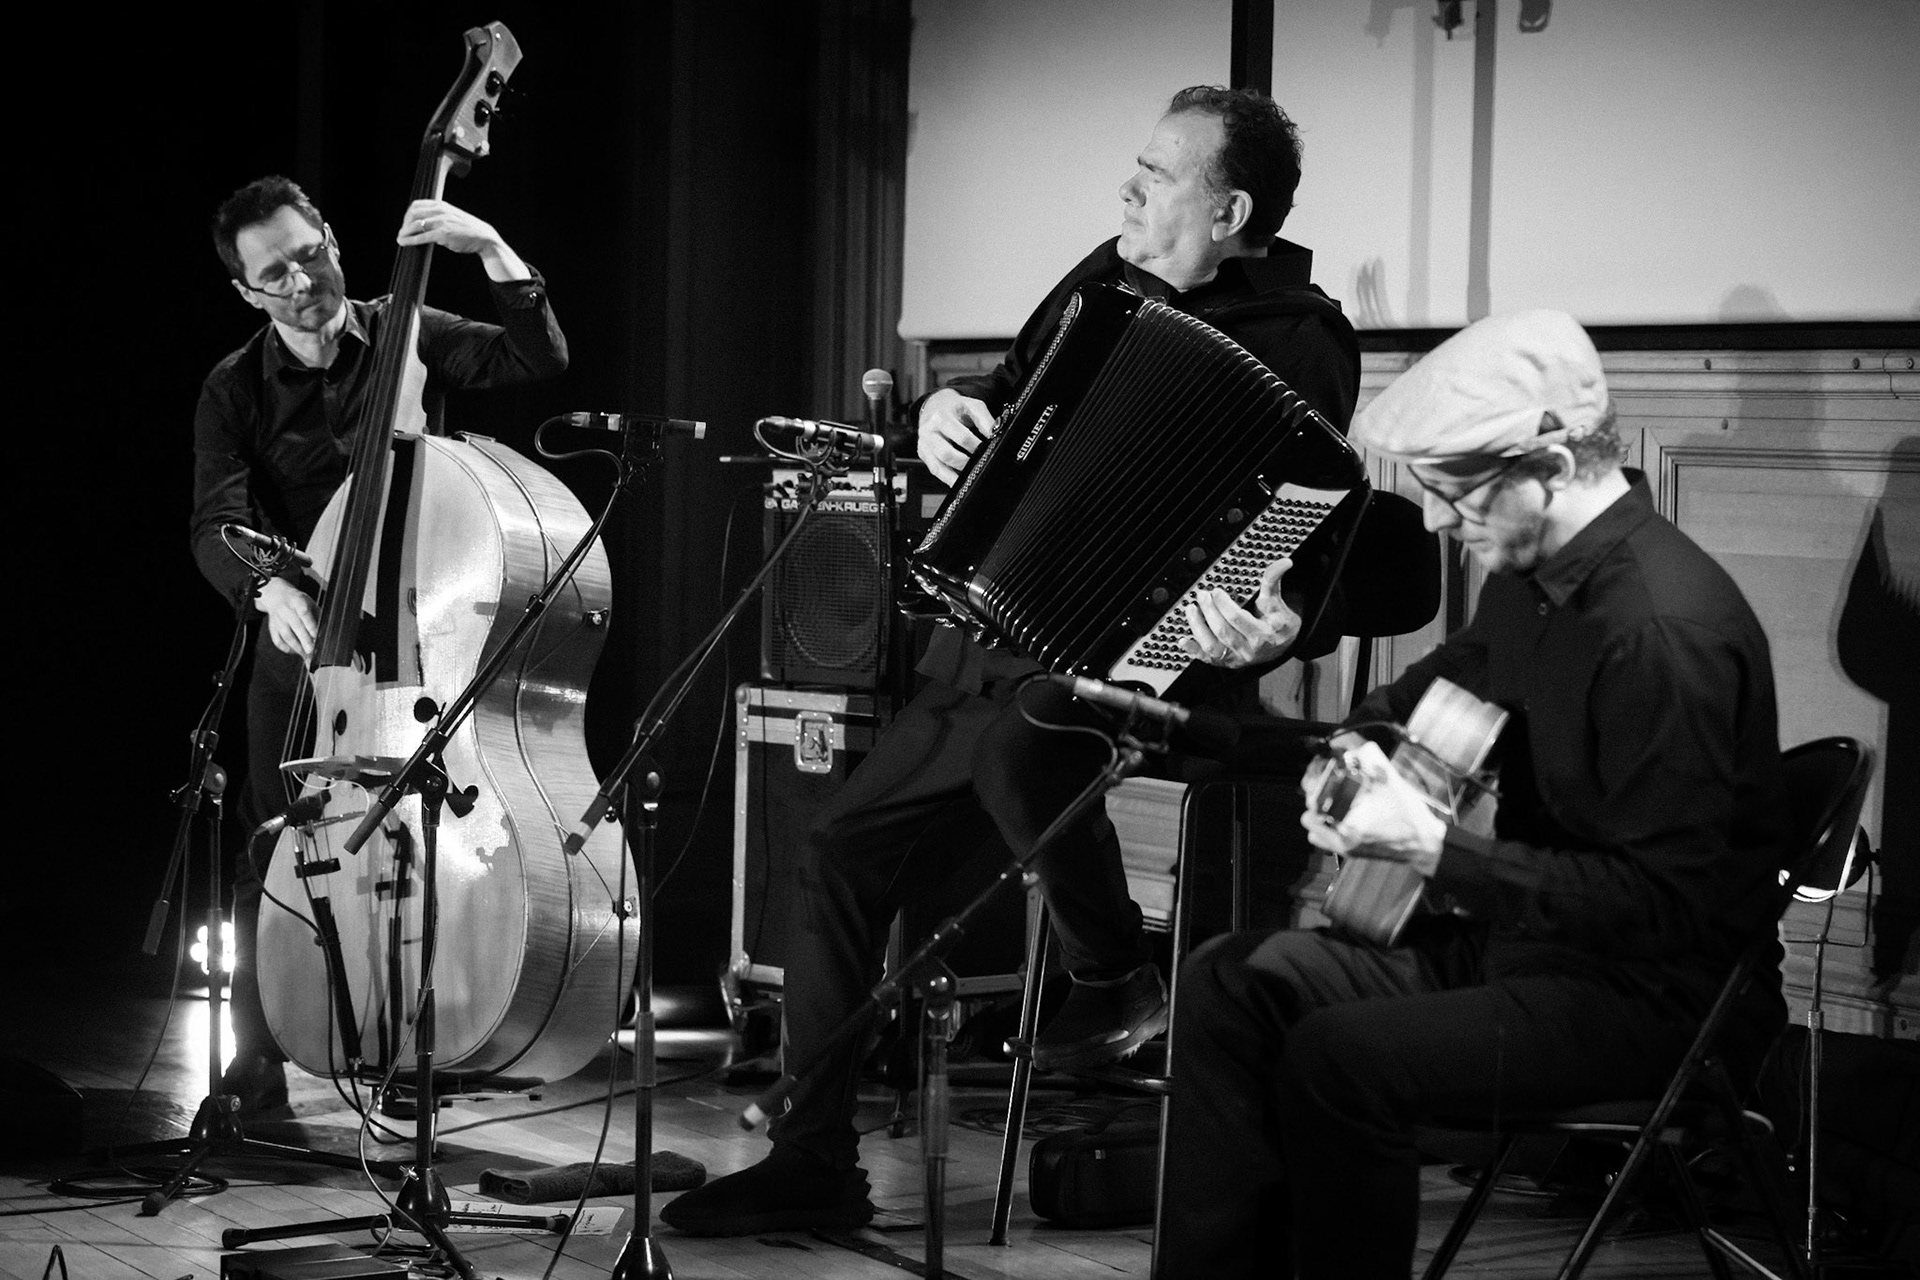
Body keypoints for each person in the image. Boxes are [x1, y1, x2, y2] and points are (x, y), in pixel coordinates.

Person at [664, 86, 1364, 1236]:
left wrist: (1281, 621)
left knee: (1027, 736)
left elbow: (1308, 523)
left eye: (1156, 174)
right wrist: (946, 406)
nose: (1128, 191)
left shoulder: (1301, 335)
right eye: (1132, 169)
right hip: (996, 641)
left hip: (1156, 668)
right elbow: (1004, 406)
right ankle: (813, 1154)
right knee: (837, 852)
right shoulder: (1106, 278)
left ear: (1231, 206)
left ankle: (1108, 973)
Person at [1153, 309, 1789, 1278]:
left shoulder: (1663, 633)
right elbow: (1433, 684)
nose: (1442, 520)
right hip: (1522, 951)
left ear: (1551, 465)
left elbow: (1664, 909)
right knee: (1229, 982)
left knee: (1340, 1059)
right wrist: (1360, 747)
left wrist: (1435, 852)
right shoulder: (1531, 578)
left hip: (1646, 998)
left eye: (1458, 492)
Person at [189, 175, 567, 1113]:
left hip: (413, 641)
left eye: (309, 252)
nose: (302, 280)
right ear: (247, 292)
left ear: (332, 238)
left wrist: (490, 249)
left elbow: (539, 357)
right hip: (302, 638)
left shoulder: (407, 328)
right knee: (274, 845)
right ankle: (260, 1058)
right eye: (274, 275)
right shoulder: (233, 386)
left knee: (414, 842)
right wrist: (266, 588)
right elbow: (212, 523)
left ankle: (406, 1048)